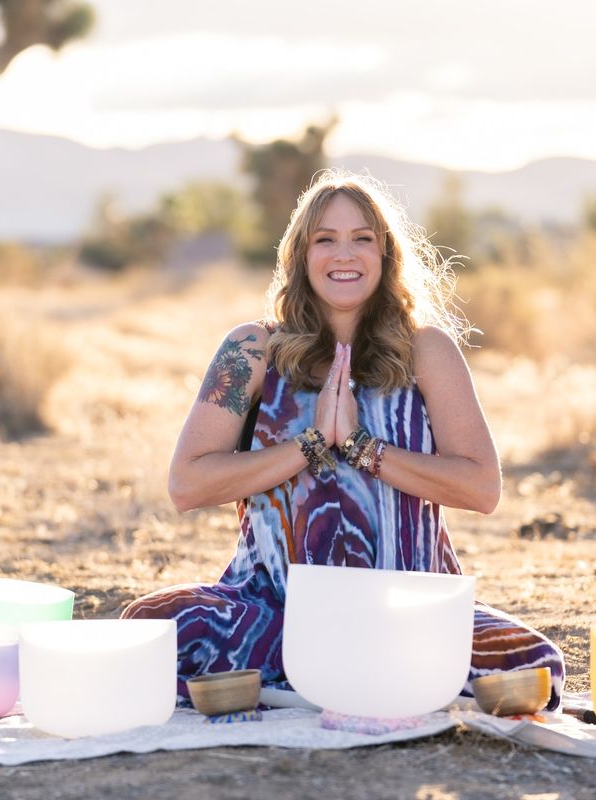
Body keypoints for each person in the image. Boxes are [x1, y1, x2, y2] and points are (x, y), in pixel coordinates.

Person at [121, 169, 565, 710]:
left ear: (386, 255)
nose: (344, 254)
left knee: (532, 662)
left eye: (362, 239)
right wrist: (310, 444)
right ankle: (351, 681)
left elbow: (482, 489)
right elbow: (187, 484)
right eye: (325, 239)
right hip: (276, 608)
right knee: (151, 627)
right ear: (300, 256)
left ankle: (300, 687)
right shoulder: (252, 349)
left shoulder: (428, 352)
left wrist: (360, 447)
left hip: (407, 609)